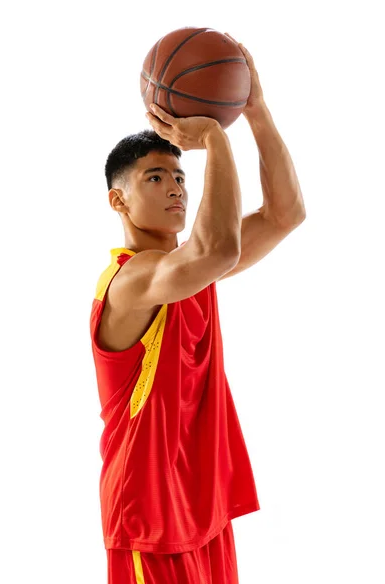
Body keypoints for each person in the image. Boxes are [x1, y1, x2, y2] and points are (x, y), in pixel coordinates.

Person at [89, 35, 306, 584]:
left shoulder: (189, 272)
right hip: (149, 516)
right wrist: (213, 136)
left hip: (200, 507)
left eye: (180, 176)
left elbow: (285, 214)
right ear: (119, 199)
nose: (175, 188)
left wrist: (254, 108)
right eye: (154, 178)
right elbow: (218, 249)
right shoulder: (131, 281)